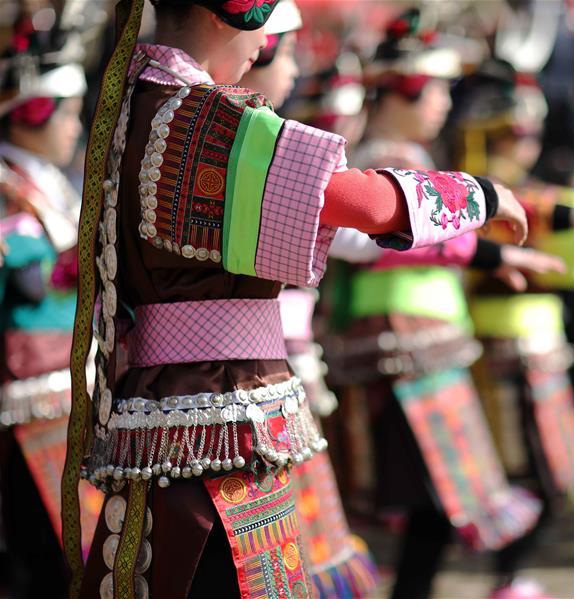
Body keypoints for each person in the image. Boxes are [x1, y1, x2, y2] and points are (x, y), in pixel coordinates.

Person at [62, 0, 529, 597]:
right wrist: (481, 195)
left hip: (159, 409)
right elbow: (364, 204)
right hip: (222, 409)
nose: (267, 45)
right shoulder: (206, 119)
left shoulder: (128, 111)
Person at [322, 11, 555, 599]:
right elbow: (384, 246)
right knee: (432, 498)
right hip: (401, 340)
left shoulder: (404, 158)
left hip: (423, 338)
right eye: (437, 89)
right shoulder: (381, 163)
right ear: (404, 88)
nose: (446, 103)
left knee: (437, 501)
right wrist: (481, 254)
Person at [449, 60, 574, 599]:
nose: (526, 144)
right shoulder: (470, 190)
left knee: (548, 469)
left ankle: (512, 573)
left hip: (543, 344)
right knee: (517, 466)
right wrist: (570, 216)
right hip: (494, 344)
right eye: (513, 133)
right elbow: (509, 216)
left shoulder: (538, 192)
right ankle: (506, 575)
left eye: (531, 133)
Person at [239, 3, 378, 596]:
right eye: (287, 53)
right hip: (252, 368)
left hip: (276, 362)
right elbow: (361, 233)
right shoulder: (263, 152)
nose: (294, 71)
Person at [0, 16, 105, 597]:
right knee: (48, 552)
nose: (75, 126)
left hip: (67, 385)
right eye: (66, 113)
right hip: (28, 390)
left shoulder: (47, 182)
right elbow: (31, 282)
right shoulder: (8, 186)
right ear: (33, 112)